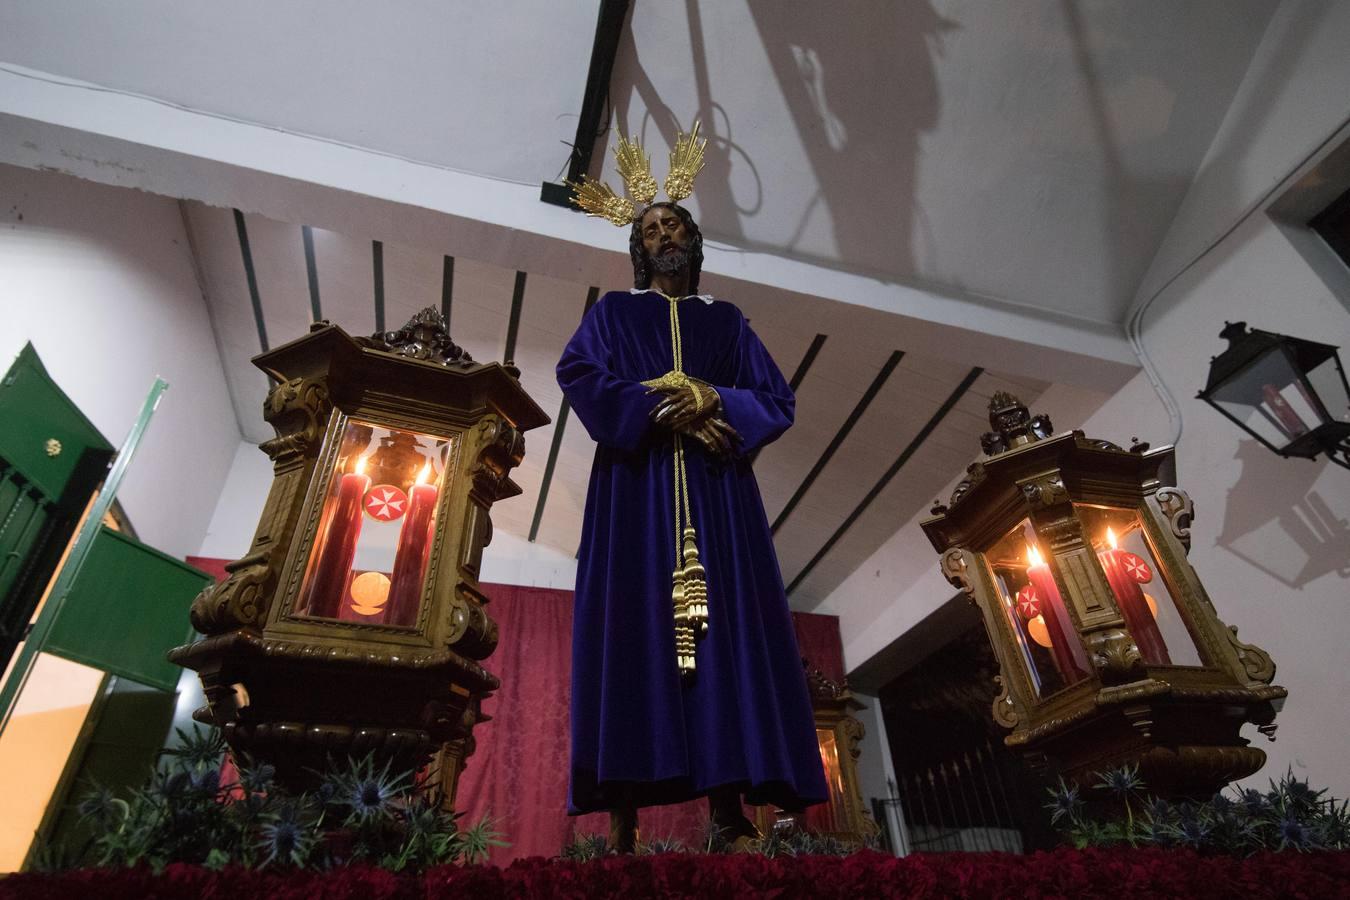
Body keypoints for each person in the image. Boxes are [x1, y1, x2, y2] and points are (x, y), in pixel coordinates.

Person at [557, 126, 827, 852]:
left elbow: (774, 398)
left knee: (723, 641)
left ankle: (729, 813)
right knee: (634, 629)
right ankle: (622, 824)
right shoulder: (614, 314)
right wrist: (661, 402)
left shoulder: (727, 322)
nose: (662, 233)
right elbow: (580, 375)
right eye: (649, 229)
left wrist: (714, 399)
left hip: (716, 493)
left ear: (690, 240)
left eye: (672, 223)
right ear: (638, 250)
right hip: (637, 491)